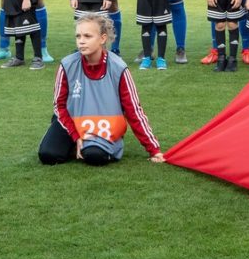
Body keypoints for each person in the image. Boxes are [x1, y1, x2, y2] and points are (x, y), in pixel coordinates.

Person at [37, 13, 164, 166]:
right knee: (48, 155)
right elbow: (59, 105)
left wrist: (154, 149)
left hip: (104, 125)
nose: (81, 42)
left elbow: (134, 111)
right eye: (78, 36)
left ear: (103, 38)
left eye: (87, 36)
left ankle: (99, 146)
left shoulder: (119, 68)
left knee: (94, 157)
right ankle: (74, 145)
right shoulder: (67, 64)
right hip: (71, 123)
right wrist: (75, 135)